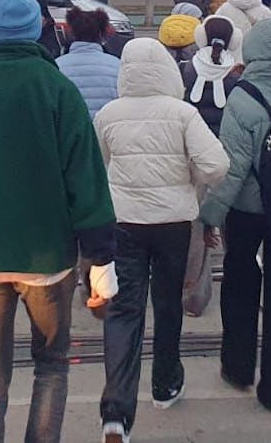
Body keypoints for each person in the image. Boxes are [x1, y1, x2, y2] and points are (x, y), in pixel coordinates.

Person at [0, 0, 119, 443]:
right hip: (47, 260)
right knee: (52, 368)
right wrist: (99, 253)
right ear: (39, 28)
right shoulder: (57, 88)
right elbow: (86, 176)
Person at [96, 39, 230, 442]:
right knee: (168, 303)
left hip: (124, 223)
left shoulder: (108, 114)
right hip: (173, 223)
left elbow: (99, 164)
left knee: (123, 312)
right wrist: (189, 179)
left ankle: (116, 413)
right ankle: (165, 383)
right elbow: (217, 165)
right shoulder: (182, 113)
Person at [200, 18, 271, 412]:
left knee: (241, 285)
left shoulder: (242, 97)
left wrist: (210, 214)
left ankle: (238, 366)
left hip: (248, 210)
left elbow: (232, 167)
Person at [183, 15, 245, 135]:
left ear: (201, 37)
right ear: (233, 41)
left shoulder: (186, 70)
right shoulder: (236, 78)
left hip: (191, 135)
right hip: (223, 138)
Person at [56, 7, 122, 118]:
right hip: (107, 130)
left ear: (72, 32)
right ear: (101, 33)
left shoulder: (57, 67)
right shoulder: (117, 66)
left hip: (72, 131)